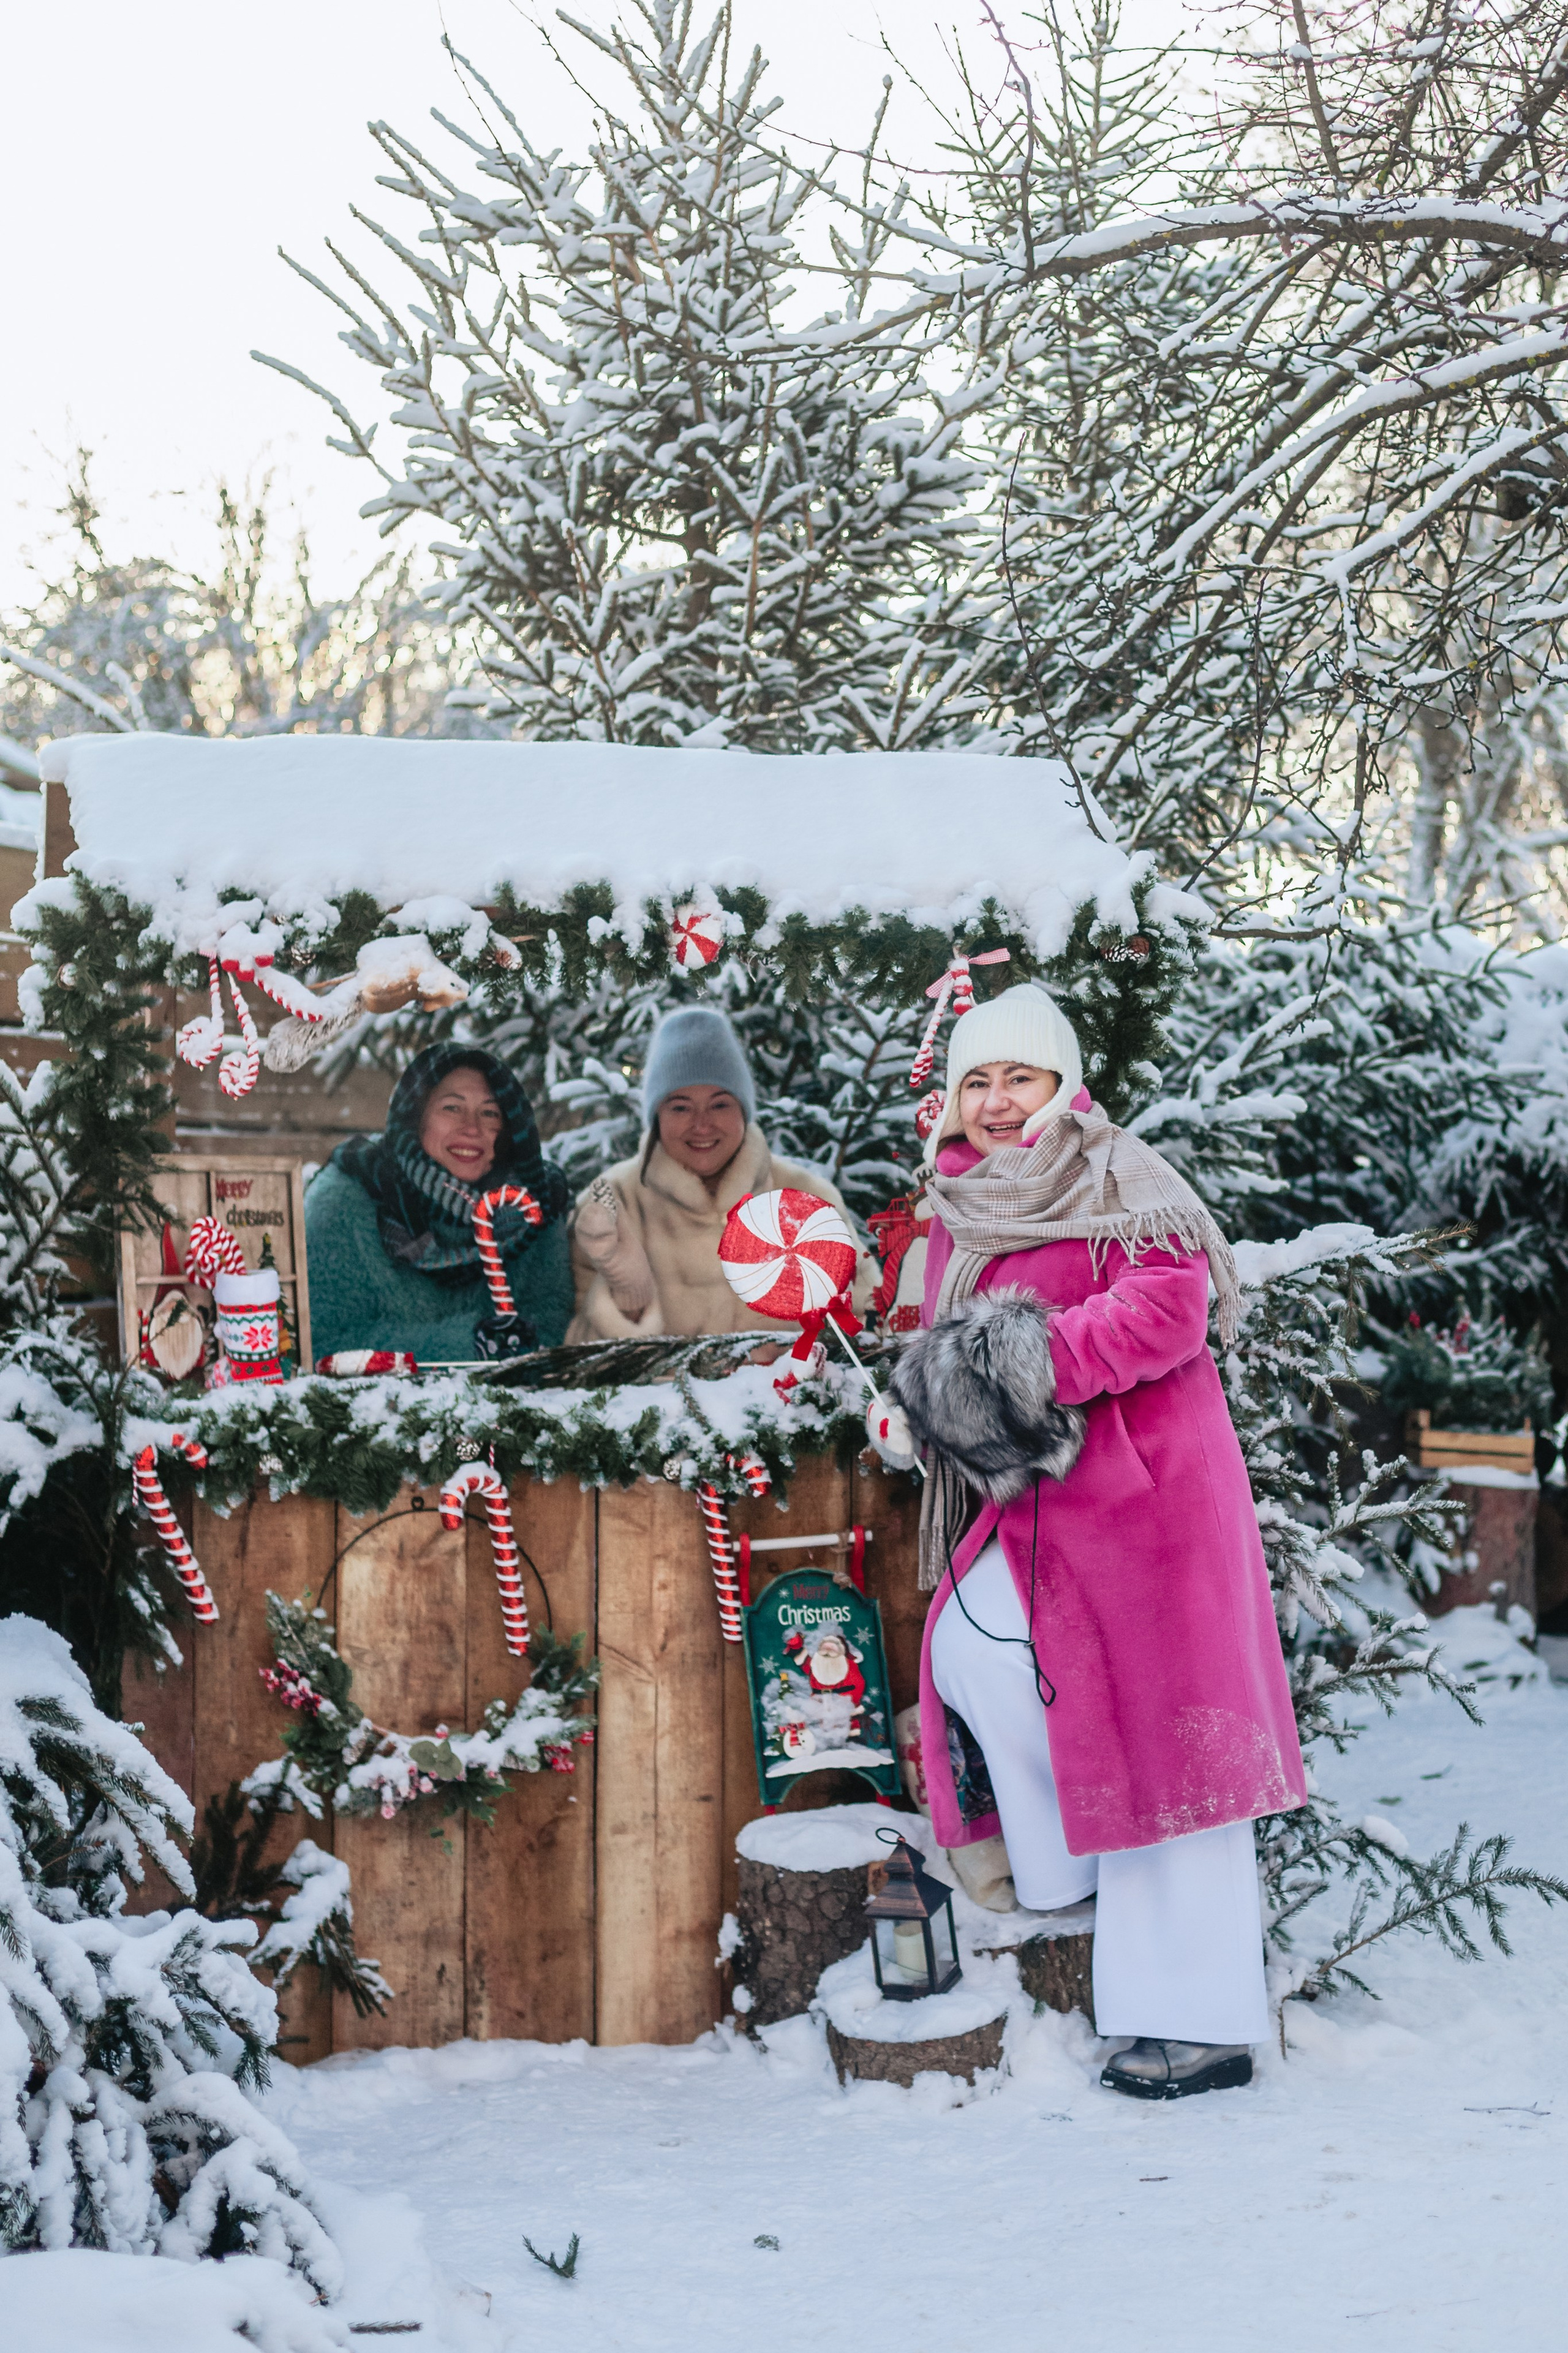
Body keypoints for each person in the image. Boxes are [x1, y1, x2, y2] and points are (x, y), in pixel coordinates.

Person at [881, 981, 1306, 2101]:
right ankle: (1072, 1859)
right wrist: (923, 1400)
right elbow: (944, 1346)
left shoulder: (1118, 1172)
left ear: (1064, 1084)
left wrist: (1007, 1369)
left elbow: (1169, 1308)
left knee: (1175, 1744)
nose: (999, 1100)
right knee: (971, 1653)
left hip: (1149, 1506)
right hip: (1035, 1512)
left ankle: (1199, 2024)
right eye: (978, 1079)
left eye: (1021, 1076)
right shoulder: (962, 1205)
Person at [567, 1005, 870, 1340]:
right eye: (680, 1107)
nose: (701, 1124)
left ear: (743, 1110)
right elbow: (572, 1353)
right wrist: (627, 1303)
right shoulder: (612, 1202)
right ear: (656, 1116)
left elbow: (866, 1327)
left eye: (720, 1104)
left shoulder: (809, 1198)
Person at [306, 1043, 573, 1364]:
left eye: (490, 1113)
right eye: (452, 1108)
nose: (472, 1128)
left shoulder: (532, 1208)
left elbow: (550, 1330)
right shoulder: (349, 1199)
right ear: (416, 1118)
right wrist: (469, 1346)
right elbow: (320, 1343)